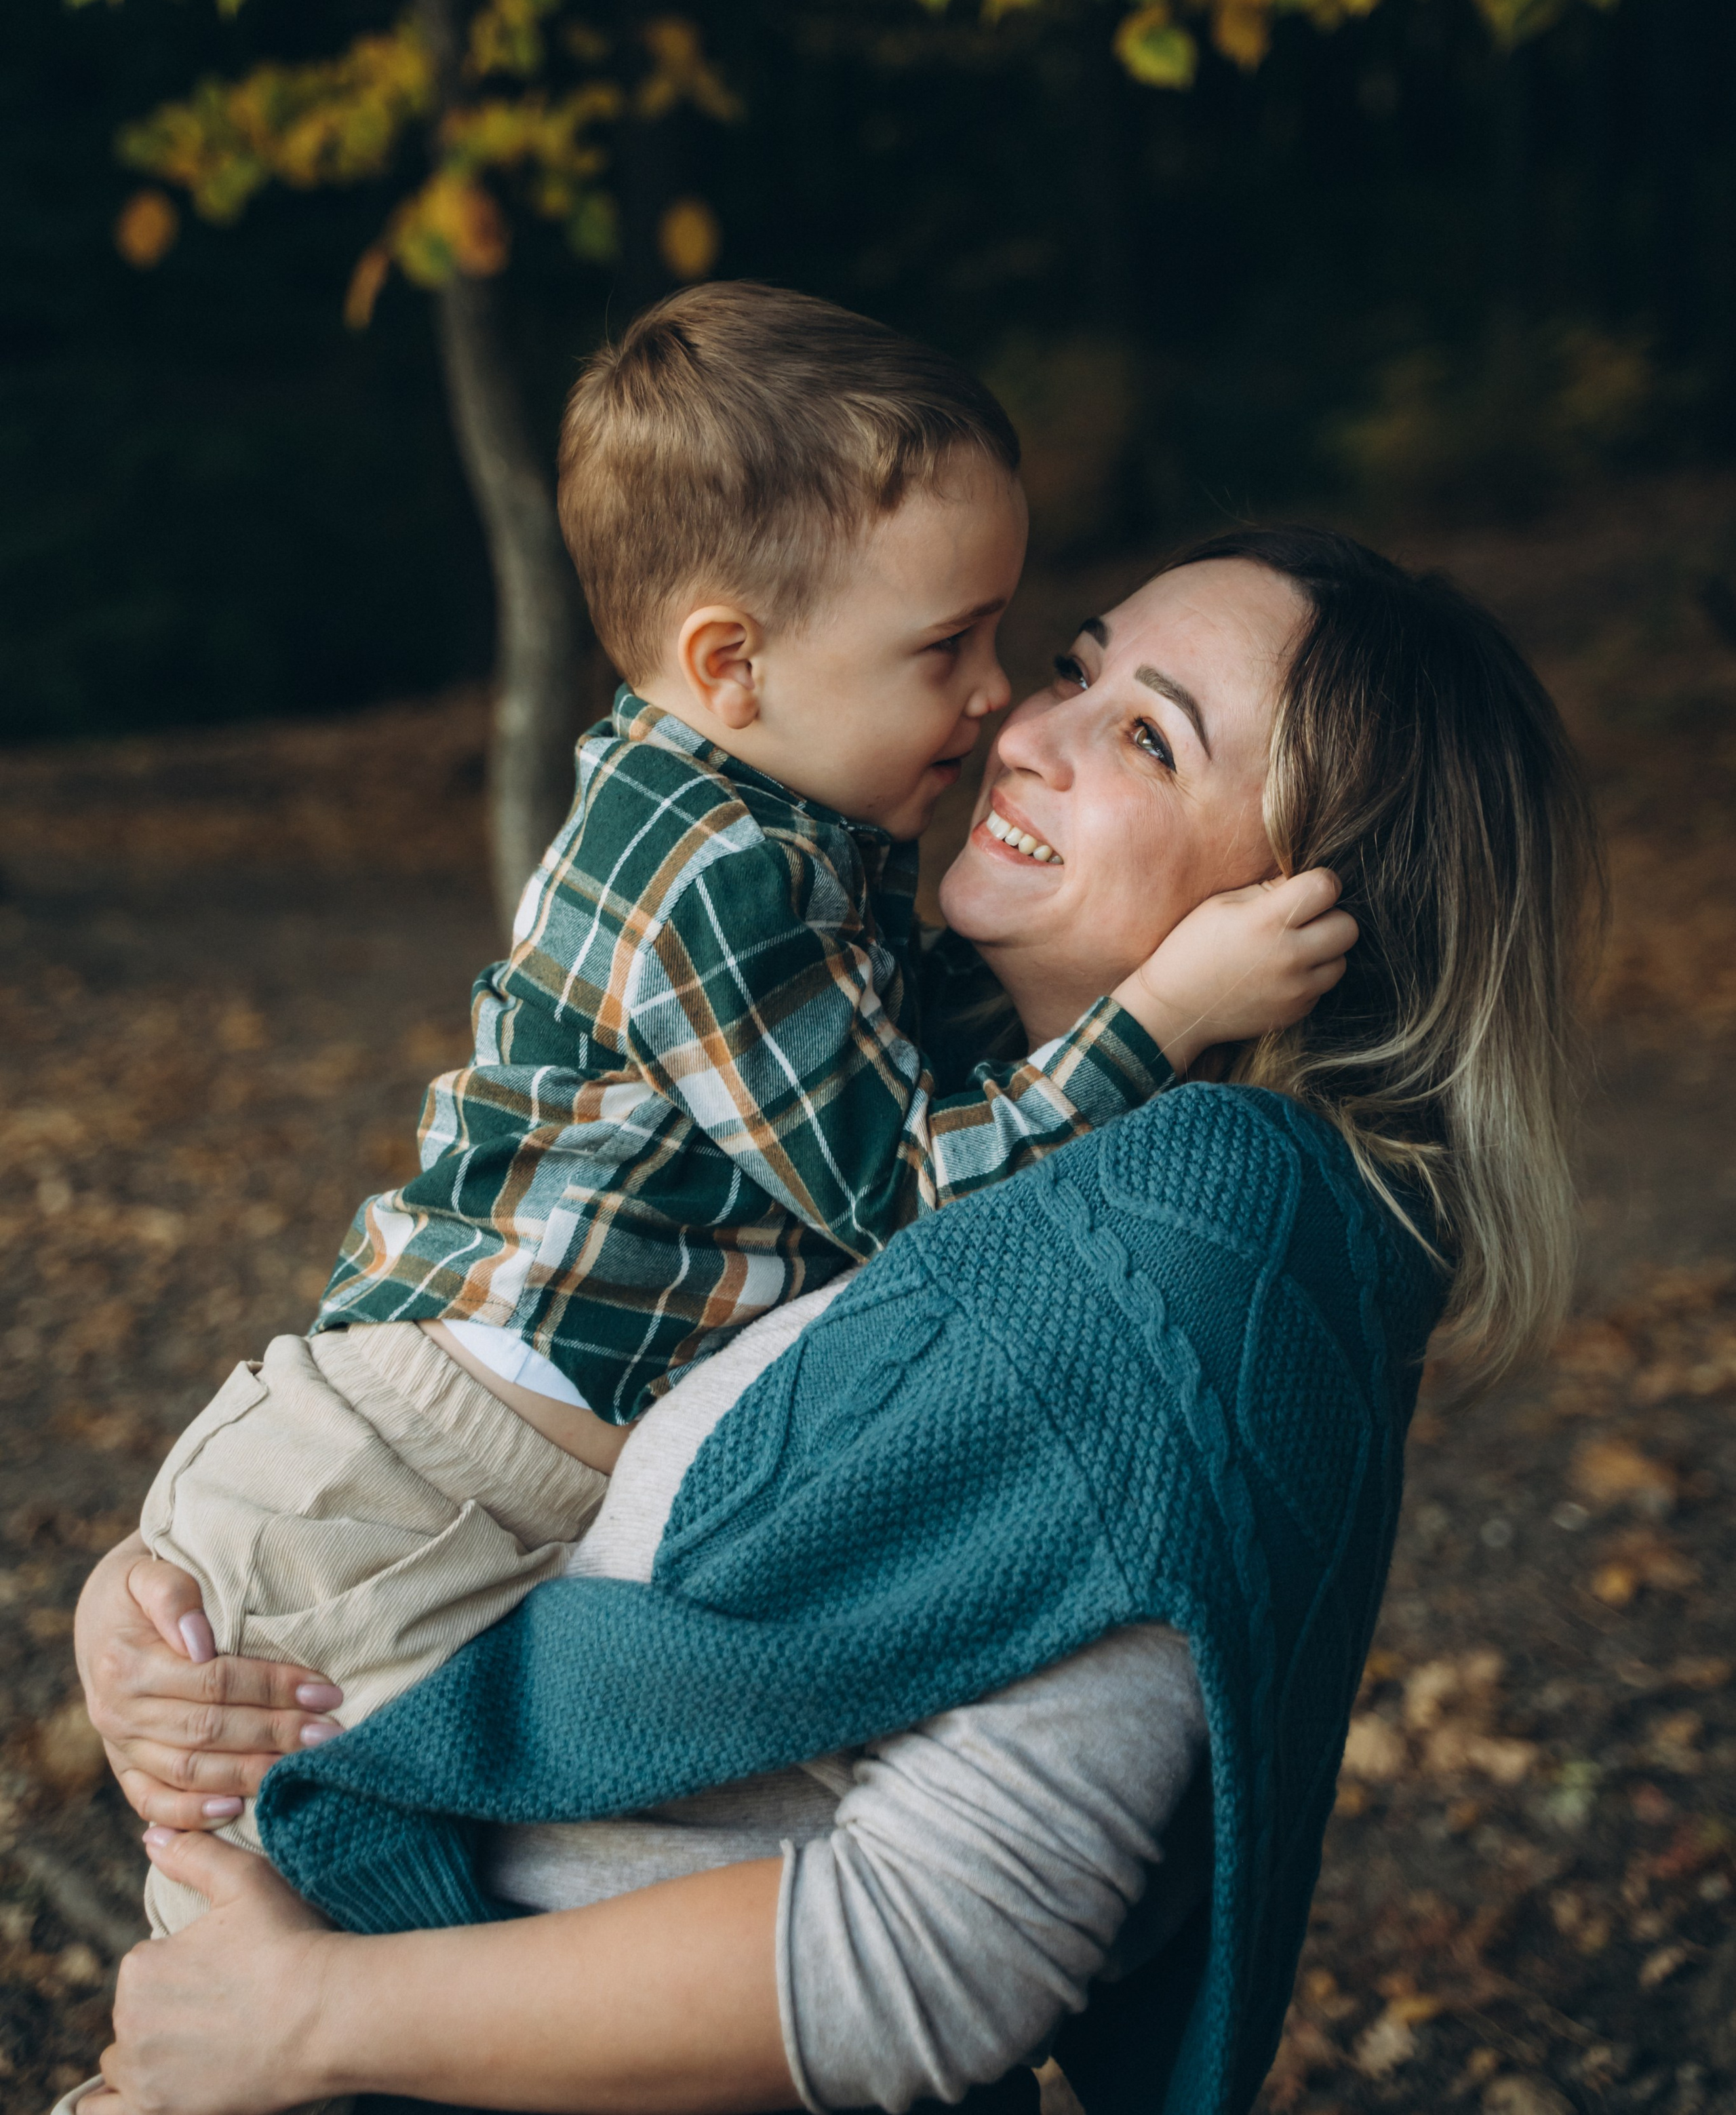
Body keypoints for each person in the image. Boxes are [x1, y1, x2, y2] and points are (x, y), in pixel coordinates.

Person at [68, 528, 1598, 2115]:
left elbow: (935, 1951)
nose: (1022, 729)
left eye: (1148, 738)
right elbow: (513, 1420)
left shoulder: (1195, 1249)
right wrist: (186, 1617)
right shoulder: (901, 1090)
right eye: (1073, 669)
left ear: (1315, 911)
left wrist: (318, 2016)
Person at [122, 286, 1352, 1949]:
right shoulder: (719, 871)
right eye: (950, 649)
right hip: (411, 1476)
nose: (994, 700)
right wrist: (1163, 1013)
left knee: (352, 1905)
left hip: (450, 1471)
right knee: (315, 1896)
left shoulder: (788, 830)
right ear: (730, 664)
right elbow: (901, 1183)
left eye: (1010, 643)